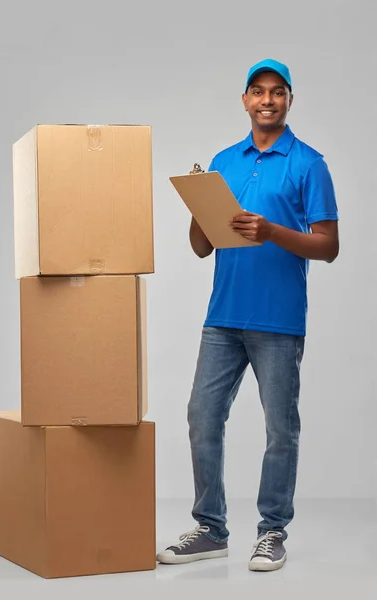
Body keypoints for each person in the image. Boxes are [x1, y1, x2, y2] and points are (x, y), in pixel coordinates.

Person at [157, 58, 339, 572]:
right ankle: (211, 529)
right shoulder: (224, 160)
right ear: (244, 100)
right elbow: (200, 246)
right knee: (202, 417)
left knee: (281, 429)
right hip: (223, 318)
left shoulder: (308, 164)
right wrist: (198, 204)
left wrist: (272, 232)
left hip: (278, 320)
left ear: (288, 101)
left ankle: (272, 530)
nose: (266, 100)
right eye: (257, 92)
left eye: (277, 92)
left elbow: (329, 247)